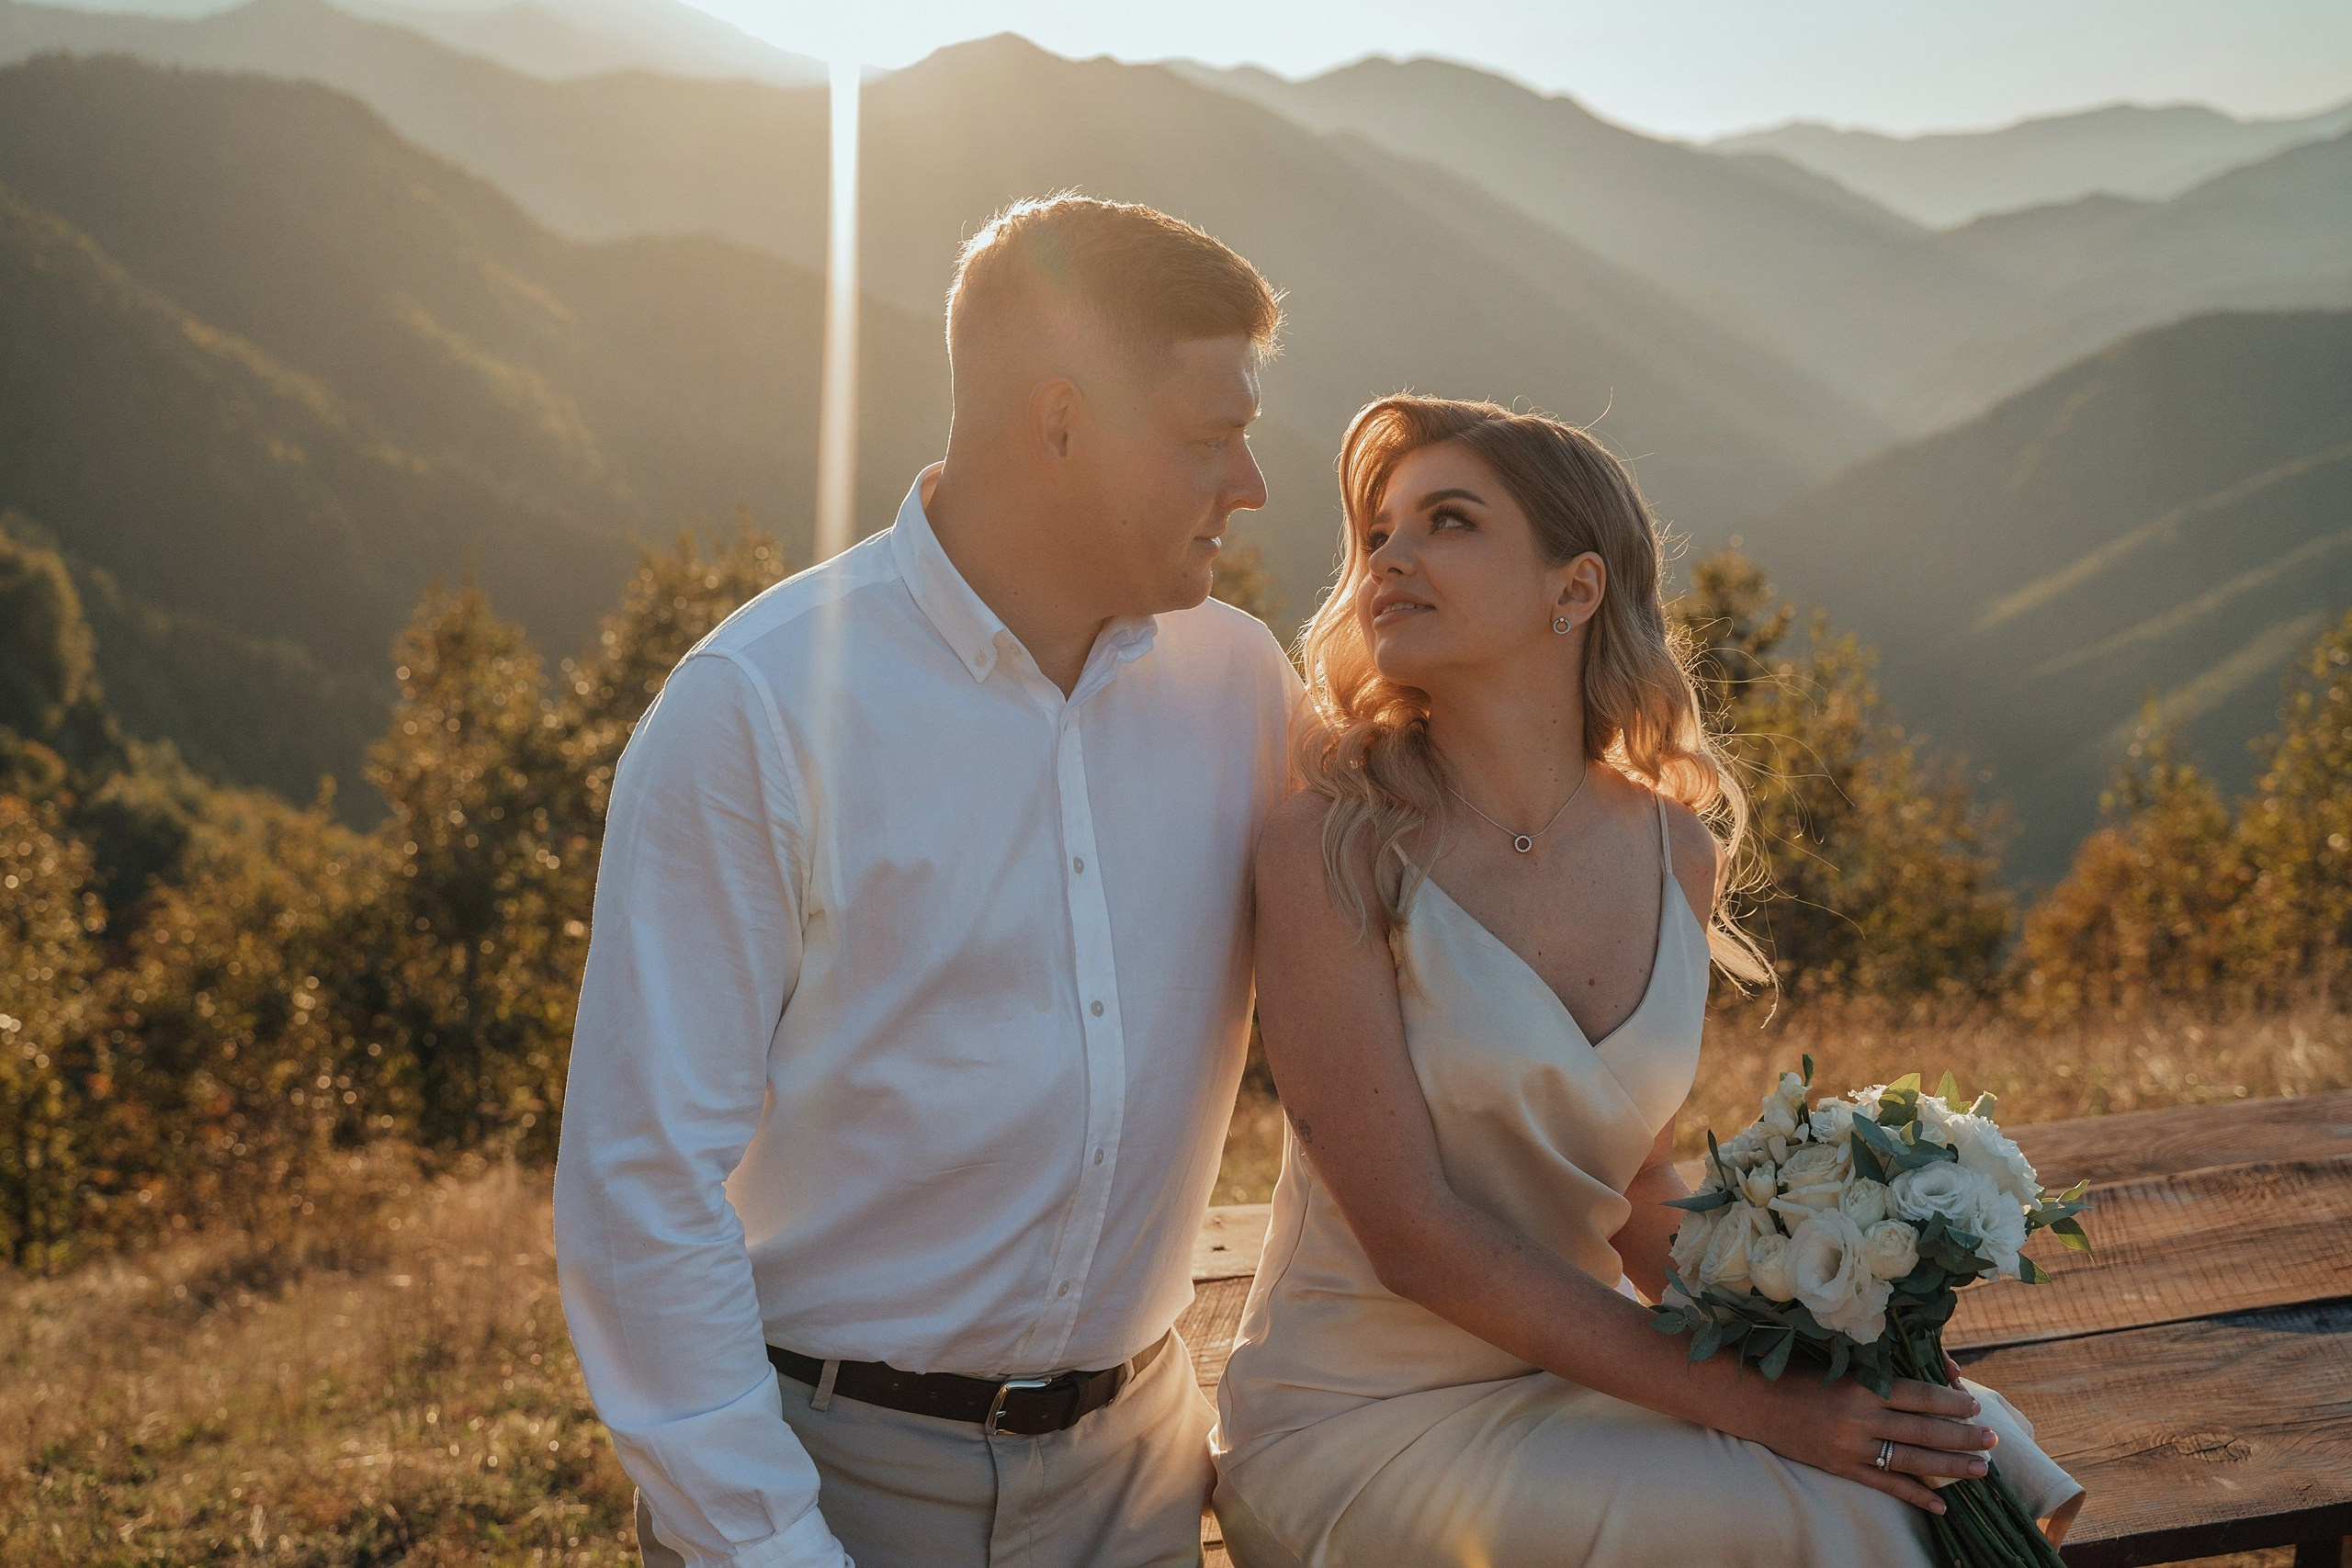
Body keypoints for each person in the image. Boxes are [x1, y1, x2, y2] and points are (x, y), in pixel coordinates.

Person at [552, 195, 1299, 1568]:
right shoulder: (756, 708)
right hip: (832, 1481)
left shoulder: (1243, 685)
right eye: (1210, 438)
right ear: (1059, 421)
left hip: (1141, 1472)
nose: (1251, 485)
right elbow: (640, 1179)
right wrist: (770, 1539)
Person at [1210, 396, 2085, 1566]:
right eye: (1379, 532)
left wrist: (1837, 1332)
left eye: (1449, 522)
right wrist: (1768, 1408)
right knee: (1864, 1507)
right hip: (1362, 1419)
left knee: (1958, 1453)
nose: (1391, 559)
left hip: (1580, 1376)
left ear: (1573, 591)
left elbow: (1632, 1189)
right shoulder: (1332, 846)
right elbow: (1411, 1236)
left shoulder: (1673, 850)